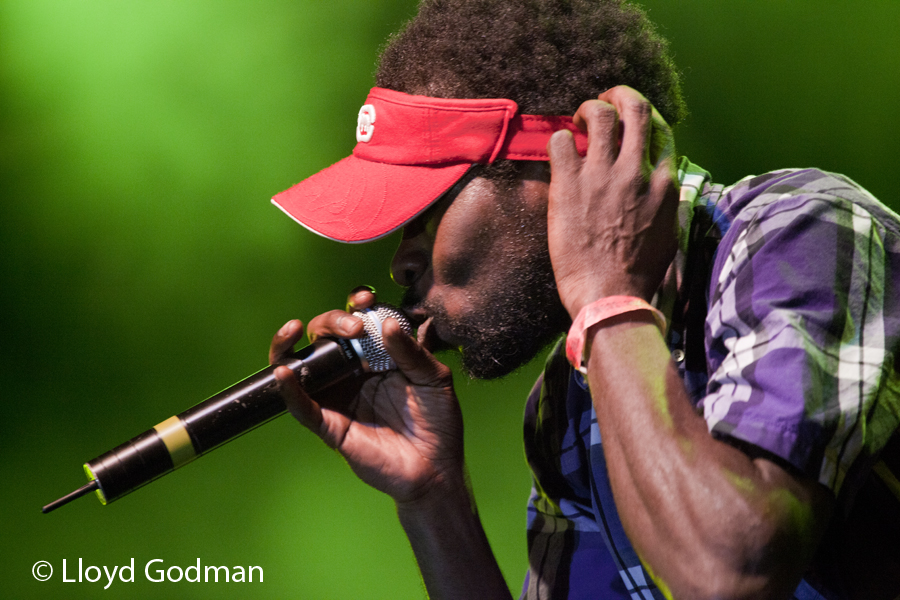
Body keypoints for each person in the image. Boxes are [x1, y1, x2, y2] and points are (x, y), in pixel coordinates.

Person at [267, 1, 900, 598]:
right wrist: (434, 499)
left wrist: (607, 297)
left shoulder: (806, 233)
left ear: (581, 156)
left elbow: (732, 573)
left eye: (427, 210)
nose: (401, 259)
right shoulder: (568, 403)